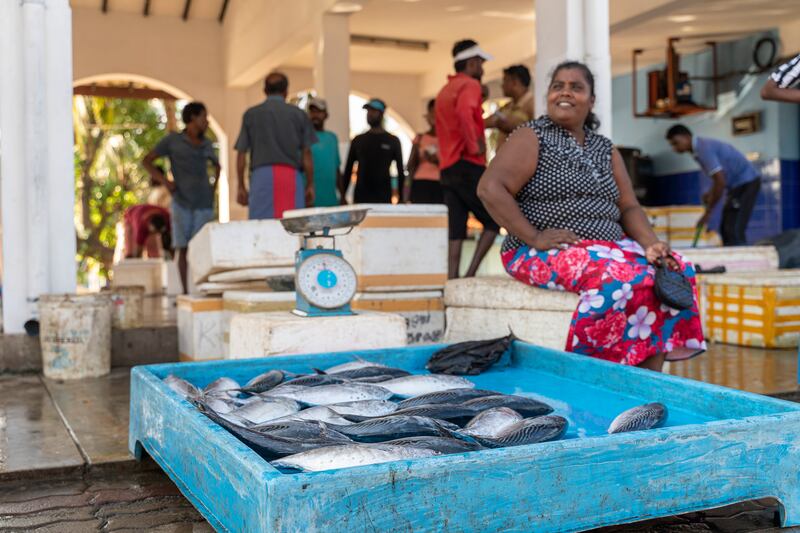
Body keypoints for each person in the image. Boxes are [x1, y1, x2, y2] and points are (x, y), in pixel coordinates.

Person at [477, 61, 705, 371]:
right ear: (548, 96)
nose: (565, 92)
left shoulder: (605, 148)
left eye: (576, 87)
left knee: (676, 269)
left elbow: (628, 206)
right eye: (558, 86)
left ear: (591, 100)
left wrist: (651, 243)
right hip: (540, 249)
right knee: (617, 277)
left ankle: (648, 382)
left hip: (608, 246)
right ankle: (590, 374)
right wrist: (534, 235)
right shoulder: (532, 136)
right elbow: (490, 188)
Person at [435, 39, 500, 279]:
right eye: (481, 63)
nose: (482, 69)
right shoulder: (470, 85)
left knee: (456, 229)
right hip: (467, 164)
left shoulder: (444, 90)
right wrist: (476, 145)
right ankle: (470, 275)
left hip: (448, 168)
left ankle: (452, 280)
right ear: (472, 63)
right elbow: (464, 113)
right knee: (494, 220)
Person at [143, 102, 219, 293]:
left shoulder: (207, 143)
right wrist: (165, 182)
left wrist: (213, 188)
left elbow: (217, 165)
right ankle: (185, 292)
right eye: (203, 117)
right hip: (181, 203)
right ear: (193, 118)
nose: (206, 121)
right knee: (182, 248)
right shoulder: (172, 141)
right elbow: (147, 160)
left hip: (204, 203)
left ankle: (204, 290)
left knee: (201, 248)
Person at [235, 72, 316, 218]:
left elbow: (241, 153)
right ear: (286, 91)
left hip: (261, 177)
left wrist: (240, 185)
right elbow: (307, 154)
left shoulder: (251, 114)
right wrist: (310, 184)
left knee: (261, 228)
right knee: (292, 228)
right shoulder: (299, 115)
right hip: (290, 176)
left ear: (265, 91)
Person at [666, 125, 761, 246]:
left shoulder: (703, 149)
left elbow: (720, 181)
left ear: (686, 137)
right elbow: (719, 180)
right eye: (672, 145)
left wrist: (708, 213)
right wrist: (710, 193)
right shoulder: (699, 149)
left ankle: (740, 263)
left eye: (676, 143)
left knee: (734, 230)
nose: (675, 148)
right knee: (726, 229)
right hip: (737, 186)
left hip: (746, 183)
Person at [342, 98, 403, 203]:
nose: (369, 114)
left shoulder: (393, 141)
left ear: (382, 113)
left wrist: (401, 197)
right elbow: (348, 170)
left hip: (384, 198)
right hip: (361, 198)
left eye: (373, 111)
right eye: (368, 111)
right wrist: (343, 197)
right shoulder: (358, 140)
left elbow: (400, 171)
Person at [485, 65, 535, 150]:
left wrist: (514, 127)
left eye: (505, 81)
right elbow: (487, 122)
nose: (502, 85)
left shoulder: (533, 104)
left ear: (514, 82)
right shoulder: (507, 106)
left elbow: (538, 134)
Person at [306, 97, 342, 207]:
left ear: (326, 115)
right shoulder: (303, 137)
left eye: (319, 112)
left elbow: (336, 169)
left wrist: (343, 196)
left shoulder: (332, 138)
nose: (315, 115)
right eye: (312, 111)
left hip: (331, 201)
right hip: (309, 202)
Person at [406, 99, 442, 204]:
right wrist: (417, 152)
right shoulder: (420, 138)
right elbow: (410, 166)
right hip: (420, 184)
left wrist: (437, 161)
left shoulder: (448, 140)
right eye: (432, 112)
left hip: (440, 184)